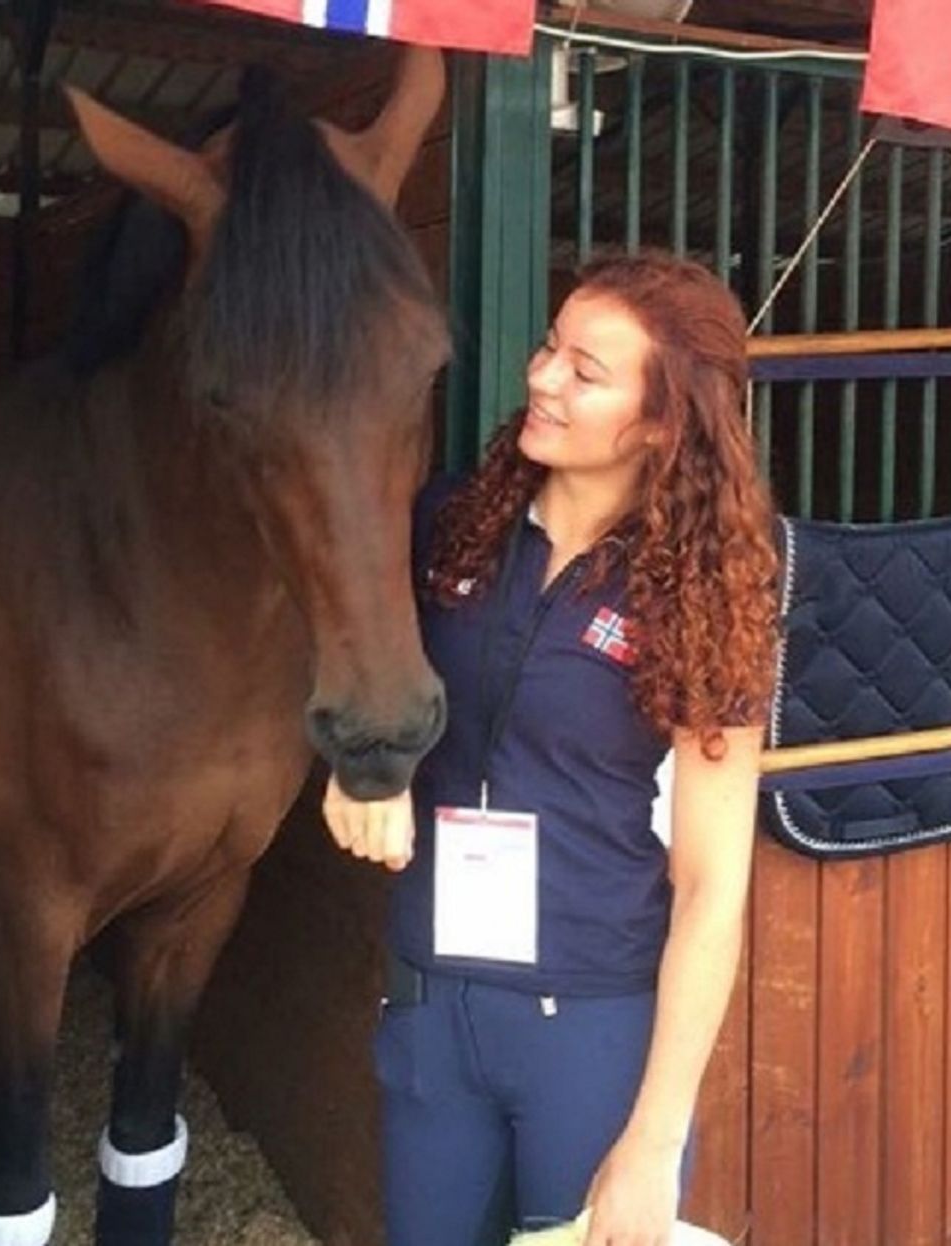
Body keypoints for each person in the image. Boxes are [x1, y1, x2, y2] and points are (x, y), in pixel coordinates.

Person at [322, 249, 779, 1246]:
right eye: (548, 347)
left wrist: (653, 1142)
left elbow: (710, 887)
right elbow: (331, 639)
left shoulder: (705, 593)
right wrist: (362, 760)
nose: (540, 377)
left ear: (660, 422)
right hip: (433, 1004)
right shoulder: (448, 526)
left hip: (592, 1022)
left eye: (585, 369)